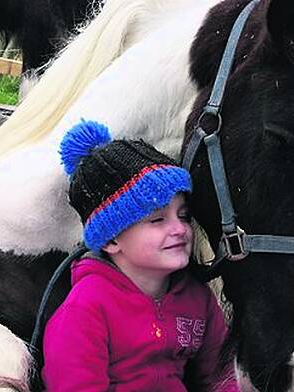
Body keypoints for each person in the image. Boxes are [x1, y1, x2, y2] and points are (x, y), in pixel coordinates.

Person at [42, 120, 238, 391]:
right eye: (157, 220)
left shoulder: (197, 298)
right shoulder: (87, 307)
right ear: (111, 239)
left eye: (183, 216)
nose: (179, 229)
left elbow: (221, 377)